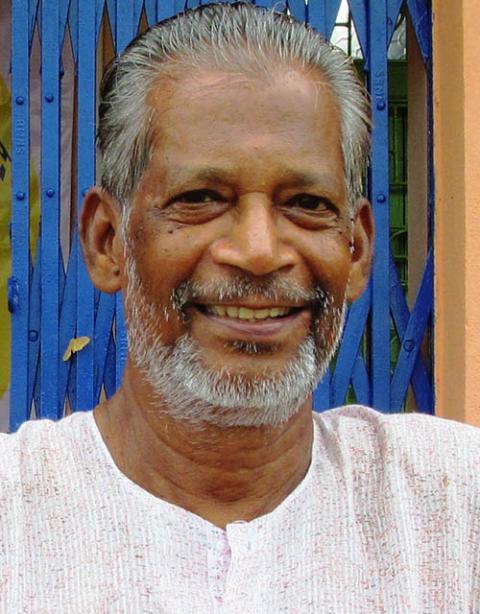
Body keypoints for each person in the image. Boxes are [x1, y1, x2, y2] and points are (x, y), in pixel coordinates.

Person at [1, 3, 479, 612]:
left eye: (306, 203)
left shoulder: (454, 508)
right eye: (200, 198)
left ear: (356, 249)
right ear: (107, 242)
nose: (259, 252)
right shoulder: (14, 521)